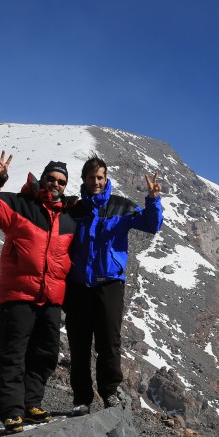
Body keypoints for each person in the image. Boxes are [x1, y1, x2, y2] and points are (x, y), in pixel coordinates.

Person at [0, 151, 76, 433]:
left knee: (45, 353)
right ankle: (12, 411)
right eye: (51, 179)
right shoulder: (20, 204)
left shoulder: (68, 218)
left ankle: (31, 404)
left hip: (50, 299)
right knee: (11, 354)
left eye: (61, 181)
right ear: (42, 178)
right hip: (18, 296)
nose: (55, 184)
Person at [64, 153, 163, 415]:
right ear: (84, 179)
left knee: (109, 341)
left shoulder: (121, 206)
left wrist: (153, 200)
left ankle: (109, 393)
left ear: (106, 178)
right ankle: (82, 398)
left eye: (100, 177)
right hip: (78, 285)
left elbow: (152, 225)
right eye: (91, 177)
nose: (96, 181)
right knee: (79, 343)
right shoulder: (75, 210)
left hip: (109, 283)